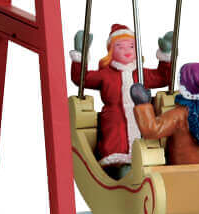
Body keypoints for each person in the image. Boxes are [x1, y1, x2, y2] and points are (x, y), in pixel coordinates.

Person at [69, 23, 173, 172]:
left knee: (146, 140)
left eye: (131, 46)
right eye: (120, 47)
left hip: (141, 120)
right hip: (115, 121)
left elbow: (164, 77)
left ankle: (146, 165)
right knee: (116, 142)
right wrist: (81, 53)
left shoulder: (141, 73)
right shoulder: (106, 74)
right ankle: (120, 168)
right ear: (111, 51)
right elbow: (81, 79)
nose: (127, 51)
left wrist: (166, 53)